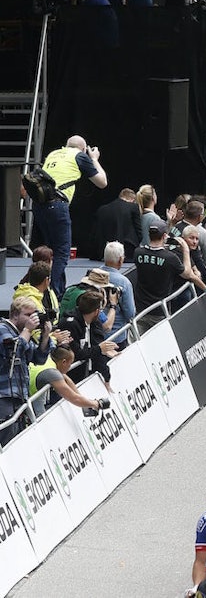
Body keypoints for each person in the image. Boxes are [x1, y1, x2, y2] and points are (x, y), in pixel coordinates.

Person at [27, 135, 108, 295]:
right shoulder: (79, 156)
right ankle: (53, 294)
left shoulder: (53, 154)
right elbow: (102, 182)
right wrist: (94, 159)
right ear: (83, 149)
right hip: (57, 205)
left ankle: (49, 288)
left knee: (48, 251)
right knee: (62, 253)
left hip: (39, 205)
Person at [0, 297, 59, 444]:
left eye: (35, 315)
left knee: (18, 440)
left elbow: (38, 358)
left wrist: (45, 336)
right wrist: (27, 330)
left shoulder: (22, 333)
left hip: (19, 396)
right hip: (4, 396)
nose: (33, 319)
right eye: (28, 315)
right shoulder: (2, 329)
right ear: (15, 315)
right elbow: (14, 353)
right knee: (8, 441)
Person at [94, 187, 142, 261]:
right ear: (132, 200)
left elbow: (96, 233)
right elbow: (139, 230)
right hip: (127, 252)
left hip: (105, 253)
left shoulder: (102, 209)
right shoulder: (133, 207)